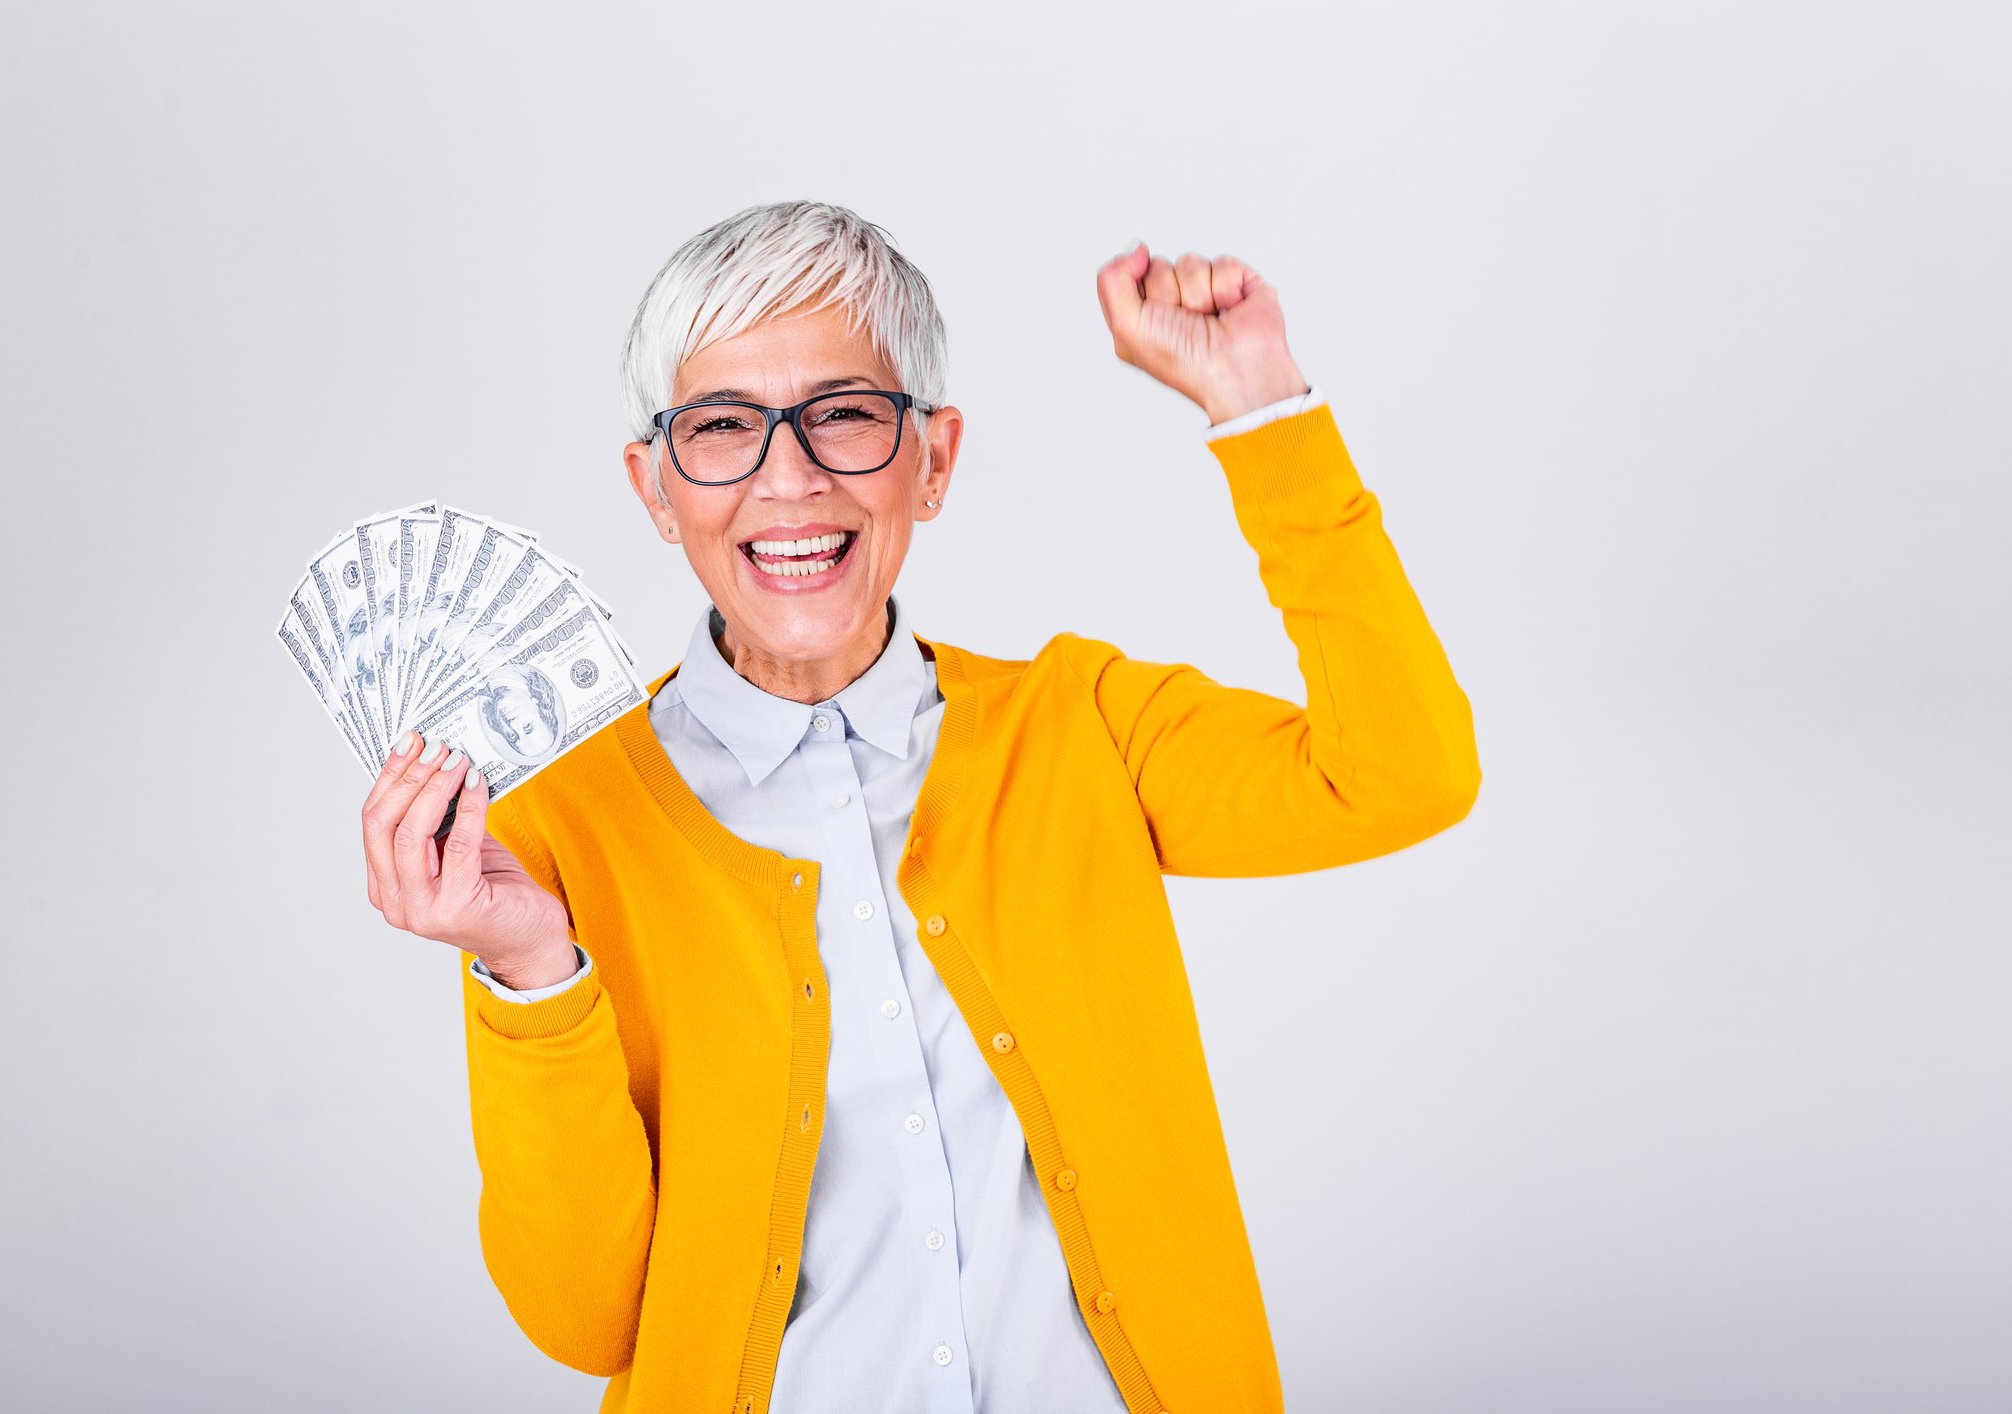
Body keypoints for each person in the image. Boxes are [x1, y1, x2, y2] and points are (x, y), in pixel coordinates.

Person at [359, 200, 1479, 1413]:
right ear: (656, 486)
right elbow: (587, 1322)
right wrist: (531, 972)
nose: (788, 481)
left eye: (844, 416)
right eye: (723, 427)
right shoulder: (561, 829)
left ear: (933, 460)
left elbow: (1404, 773)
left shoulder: (1078, 728)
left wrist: (1261, 407)